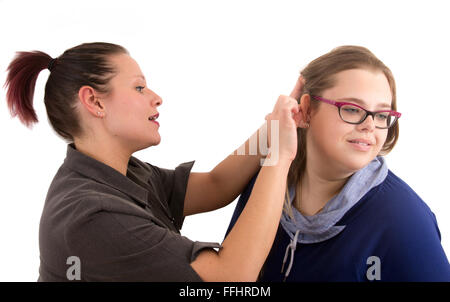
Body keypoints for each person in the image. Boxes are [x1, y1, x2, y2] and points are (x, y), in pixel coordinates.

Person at [4, 42, 303, 281]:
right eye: (138, 87)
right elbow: (231, 277)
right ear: (94, 102)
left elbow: (216, 184)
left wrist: (278, 125)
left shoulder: (123, 174)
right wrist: (281, 154)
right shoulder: (92, 215)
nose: (156, 97)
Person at [226, 45, 450, 282]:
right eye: (352, 109)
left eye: (382, 115)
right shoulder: (266, 181)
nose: (370, 125)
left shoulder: (406, 221)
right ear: (308, 109)